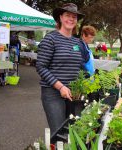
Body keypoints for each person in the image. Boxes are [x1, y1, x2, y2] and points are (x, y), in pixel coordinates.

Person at [36, 3, 86, 134]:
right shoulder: (50, 39)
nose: (71, 19)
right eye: (67, 15)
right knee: (59, 133)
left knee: (73, 131)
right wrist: (61, 87)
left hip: (73, 94)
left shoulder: (77, 42)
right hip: (53, 94)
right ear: (60, 18)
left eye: (74, 17)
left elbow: (78, 66)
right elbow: (41, 67)